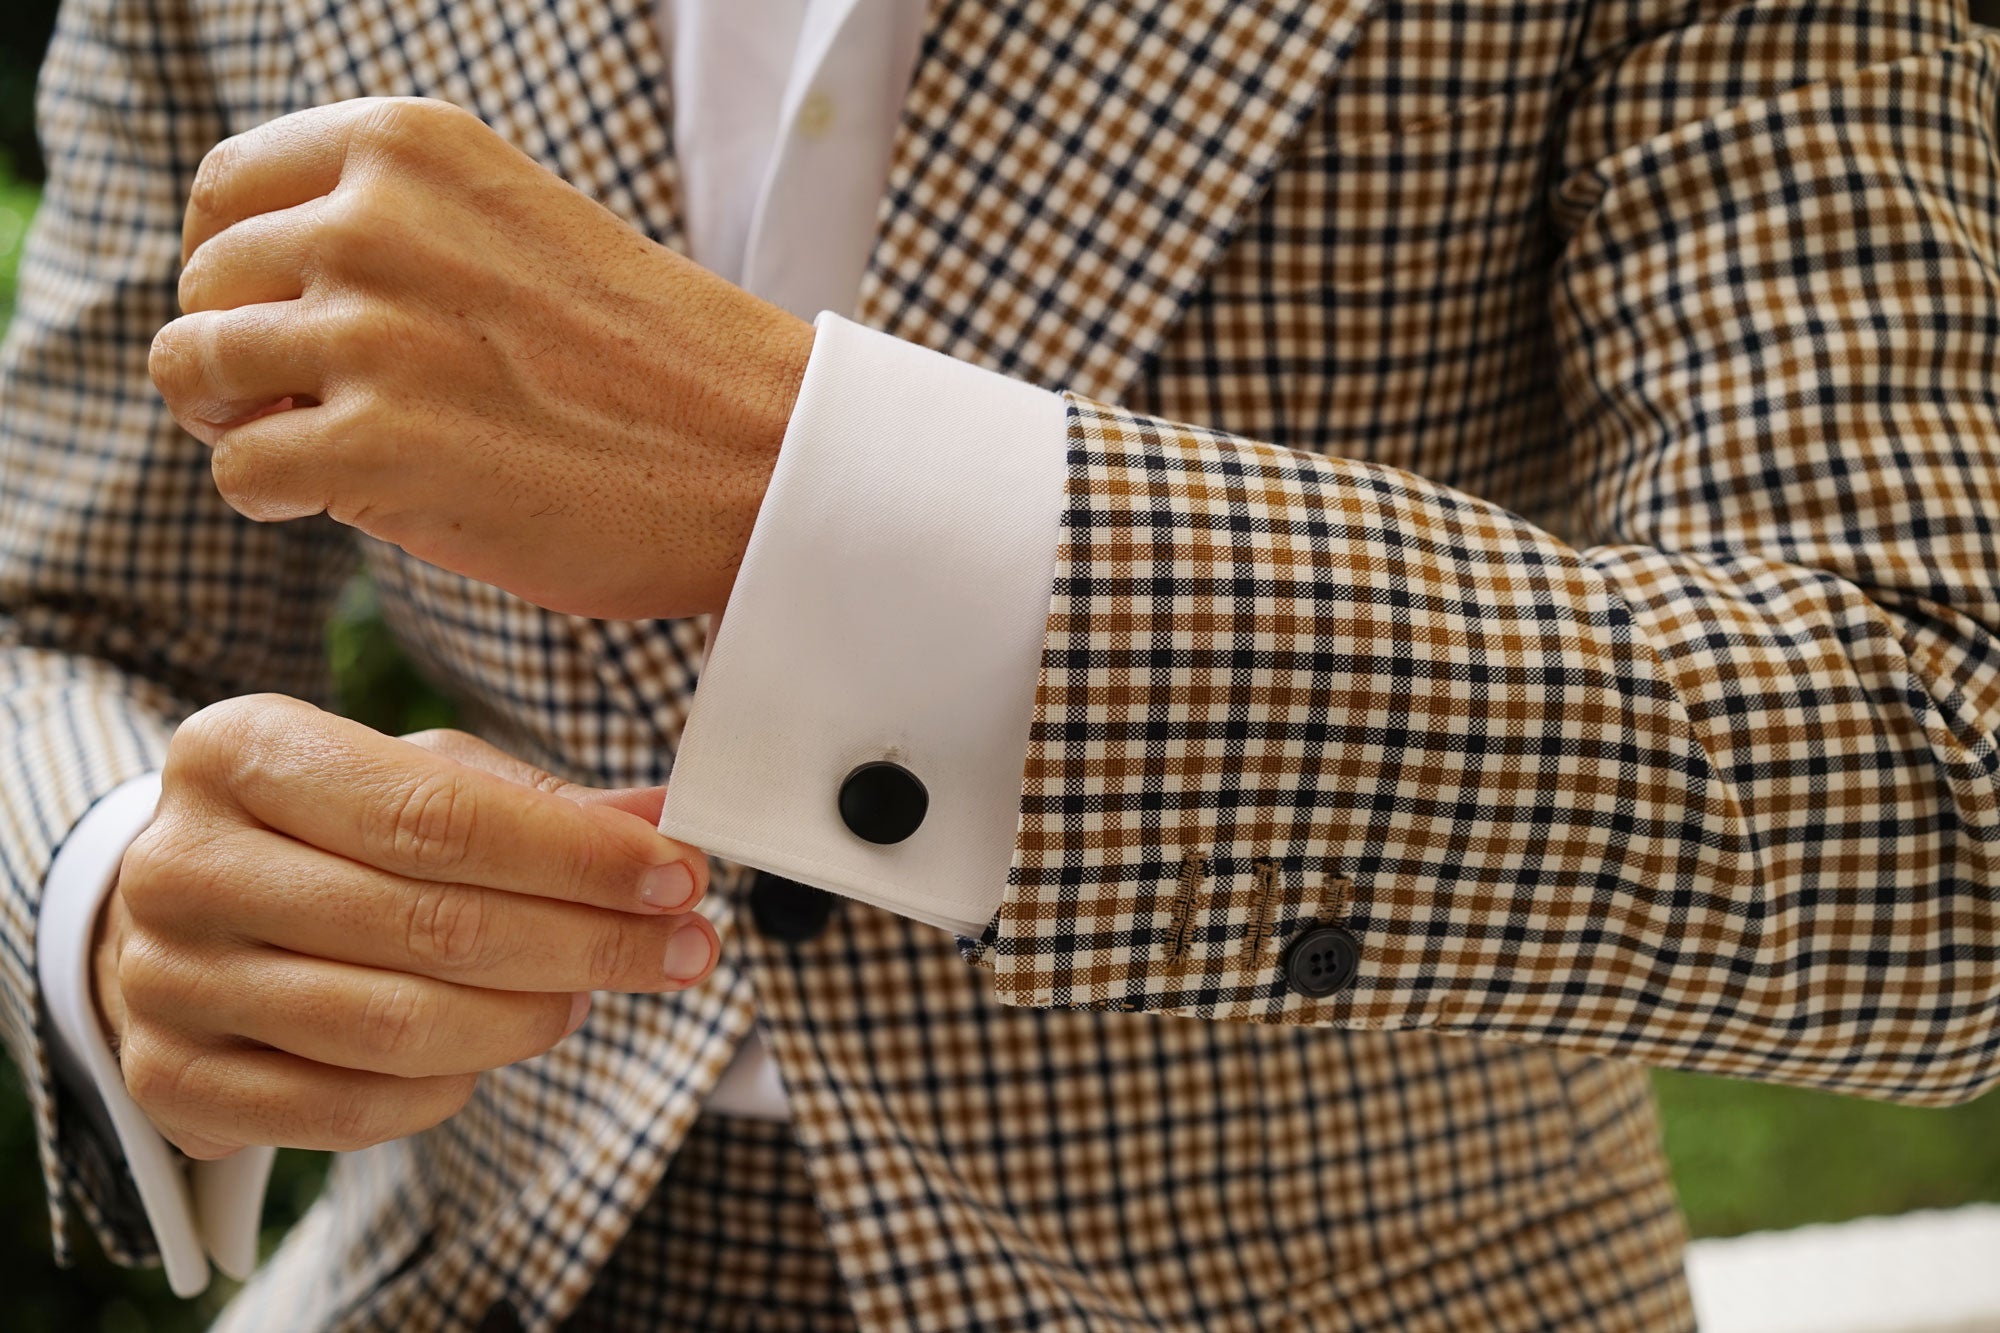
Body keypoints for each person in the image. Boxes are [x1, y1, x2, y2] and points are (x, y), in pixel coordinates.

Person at [3, 0, 1997, 1327]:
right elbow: (58, 614)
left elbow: (1935, 783)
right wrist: (112, 886)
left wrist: (809, 478)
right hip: (467, 1263)